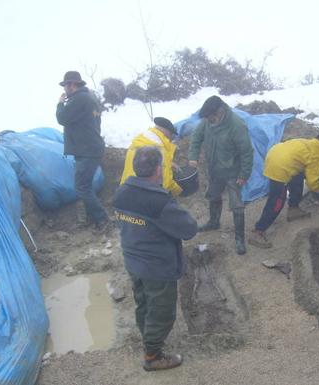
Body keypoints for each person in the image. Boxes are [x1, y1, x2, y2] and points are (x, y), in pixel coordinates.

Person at [113, 146, 198, 371]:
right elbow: (188, 229)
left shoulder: (122, 192)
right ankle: (153, 356)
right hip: (156, 267)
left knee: (144, 302)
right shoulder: (158, 201)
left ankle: (148, 337)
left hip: (133, 259)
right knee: (162, 311)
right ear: (159, 169)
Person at [188, 95, 254, 255]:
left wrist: (244, 174)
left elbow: (247, 152)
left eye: (211, 118)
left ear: (220, 112)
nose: (209, 121)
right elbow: (196, 138)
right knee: (213, 195)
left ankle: (239, 238)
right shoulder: (207, 122)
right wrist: (193, 157)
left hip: (233, 172)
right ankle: (214, 221)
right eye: (207, 119)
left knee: (237, 204)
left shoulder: (236, 125)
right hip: (214, 169)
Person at [248, 135, 319, 249]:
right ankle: (258, 231)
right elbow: (312, 183)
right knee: (276, 203)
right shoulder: (317, 154)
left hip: (274, 155)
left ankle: (293, 208)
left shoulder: (307, 142)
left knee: (298, 175)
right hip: (281, 168)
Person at [56, 70, 109, 230]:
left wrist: (60, 103)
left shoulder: (79, 99)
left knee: (82, 187)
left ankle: (102, 219)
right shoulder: (90, 98)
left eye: (66, 85)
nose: (65, 89)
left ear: (72, 85)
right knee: (85, 186)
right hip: (90, 148)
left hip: (87, 150)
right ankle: (93, 218)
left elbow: (62, 118)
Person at [119, 117, 183, 196]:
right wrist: (179, 190)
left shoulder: (139, 141)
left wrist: (169, 163)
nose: (171, 139)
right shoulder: (161, 150)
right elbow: (166, 183)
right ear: (167, 133)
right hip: (146, 195)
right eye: (171, 135)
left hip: (126, 190)